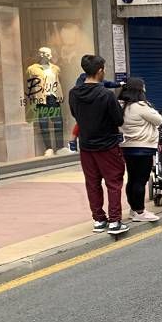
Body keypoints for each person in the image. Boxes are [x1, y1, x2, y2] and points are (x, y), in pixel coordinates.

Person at [69, 55, 128, 235]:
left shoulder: (73, 93)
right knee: (113, 182)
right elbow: (118, 119)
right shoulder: (106, 94)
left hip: (86, 145)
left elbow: (75, 115)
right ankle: (115, 220)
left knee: (92, 183)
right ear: (100, 71)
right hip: (108, 144)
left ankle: (99, 219)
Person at [119, 78, 162, 223]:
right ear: (139, 90)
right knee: (140, 180)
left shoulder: (122, 106)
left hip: (127, 147)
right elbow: (159, 120)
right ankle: (140, 211)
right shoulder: (140, 106)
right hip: (143, 147)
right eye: (143, 88)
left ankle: (133, 209)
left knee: (132, 179)